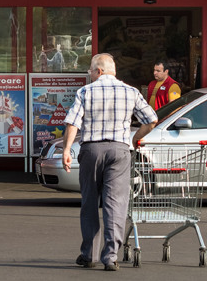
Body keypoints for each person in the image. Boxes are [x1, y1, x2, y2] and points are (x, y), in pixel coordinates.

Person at [63, 53, 158, 271]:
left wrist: (66, 150)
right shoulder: (131, 92)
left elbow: (72, 123)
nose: (90, 74)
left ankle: (89, 255)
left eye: (90, 71)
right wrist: (134, 139)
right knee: (115, 204)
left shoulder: (85, 91)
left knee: (89, 203)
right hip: (119, 150)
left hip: (91, 150)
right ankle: (111, 257)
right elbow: (152, 119)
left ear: (99, 71)